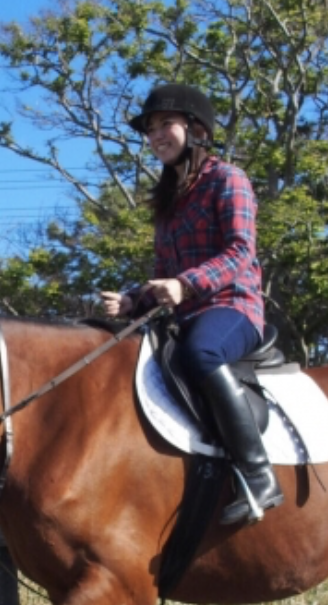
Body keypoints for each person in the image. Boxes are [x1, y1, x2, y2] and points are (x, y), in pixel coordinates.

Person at [101, 83, 281, 526]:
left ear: (197, 129)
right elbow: (163, 272)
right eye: (150, 129)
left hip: (234, 307)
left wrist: (186, 285)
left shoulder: (228, 179)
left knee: (200, 352)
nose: (155, 135)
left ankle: (259, 475)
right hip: (185, 314)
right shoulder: (168, 201)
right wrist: (132, 300)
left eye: (165, 124)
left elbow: (241, 251)